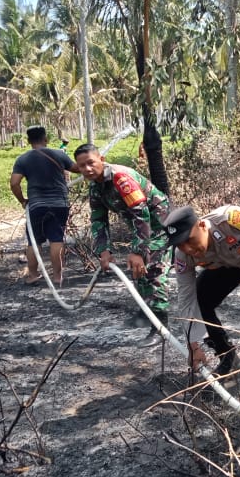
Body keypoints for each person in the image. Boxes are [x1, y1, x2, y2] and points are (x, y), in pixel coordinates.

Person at [164, 205, 240, 392]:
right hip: (226, 266)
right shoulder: (182, 256)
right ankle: (227, 357)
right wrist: (193, 345)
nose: (188, 248)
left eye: (189, 240)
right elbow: (186, 298)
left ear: (202, 226)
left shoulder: (231, 218)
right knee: (200, 301)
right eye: (180, 244)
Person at [75, 144, 171, 346]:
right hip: (143, 227)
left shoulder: (120, 178)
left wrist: (138, 251)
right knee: (139, 271)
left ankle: (161, 327)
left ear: (101, 158)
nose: (87, 169)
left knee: (153, 271)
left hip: (161, 225)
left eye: (91, 163)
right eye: (82, 166)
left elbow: (141, 212)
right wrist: (104, 251)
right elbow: (98, 220)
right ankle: (146, 313)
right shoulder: (95, 187)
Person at [10, 126, 78, 286]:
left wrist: (23, 200)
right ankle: (57, 277)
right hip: (59, 204)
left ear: (28, 141)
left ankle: (33, 275)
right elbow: (77, 169)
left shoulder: (23, 159)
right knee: (56, 239)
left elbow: (14, 183)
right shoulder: (59, 154)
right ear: (46, 139)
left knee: (34, 242)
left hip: (36, 205)